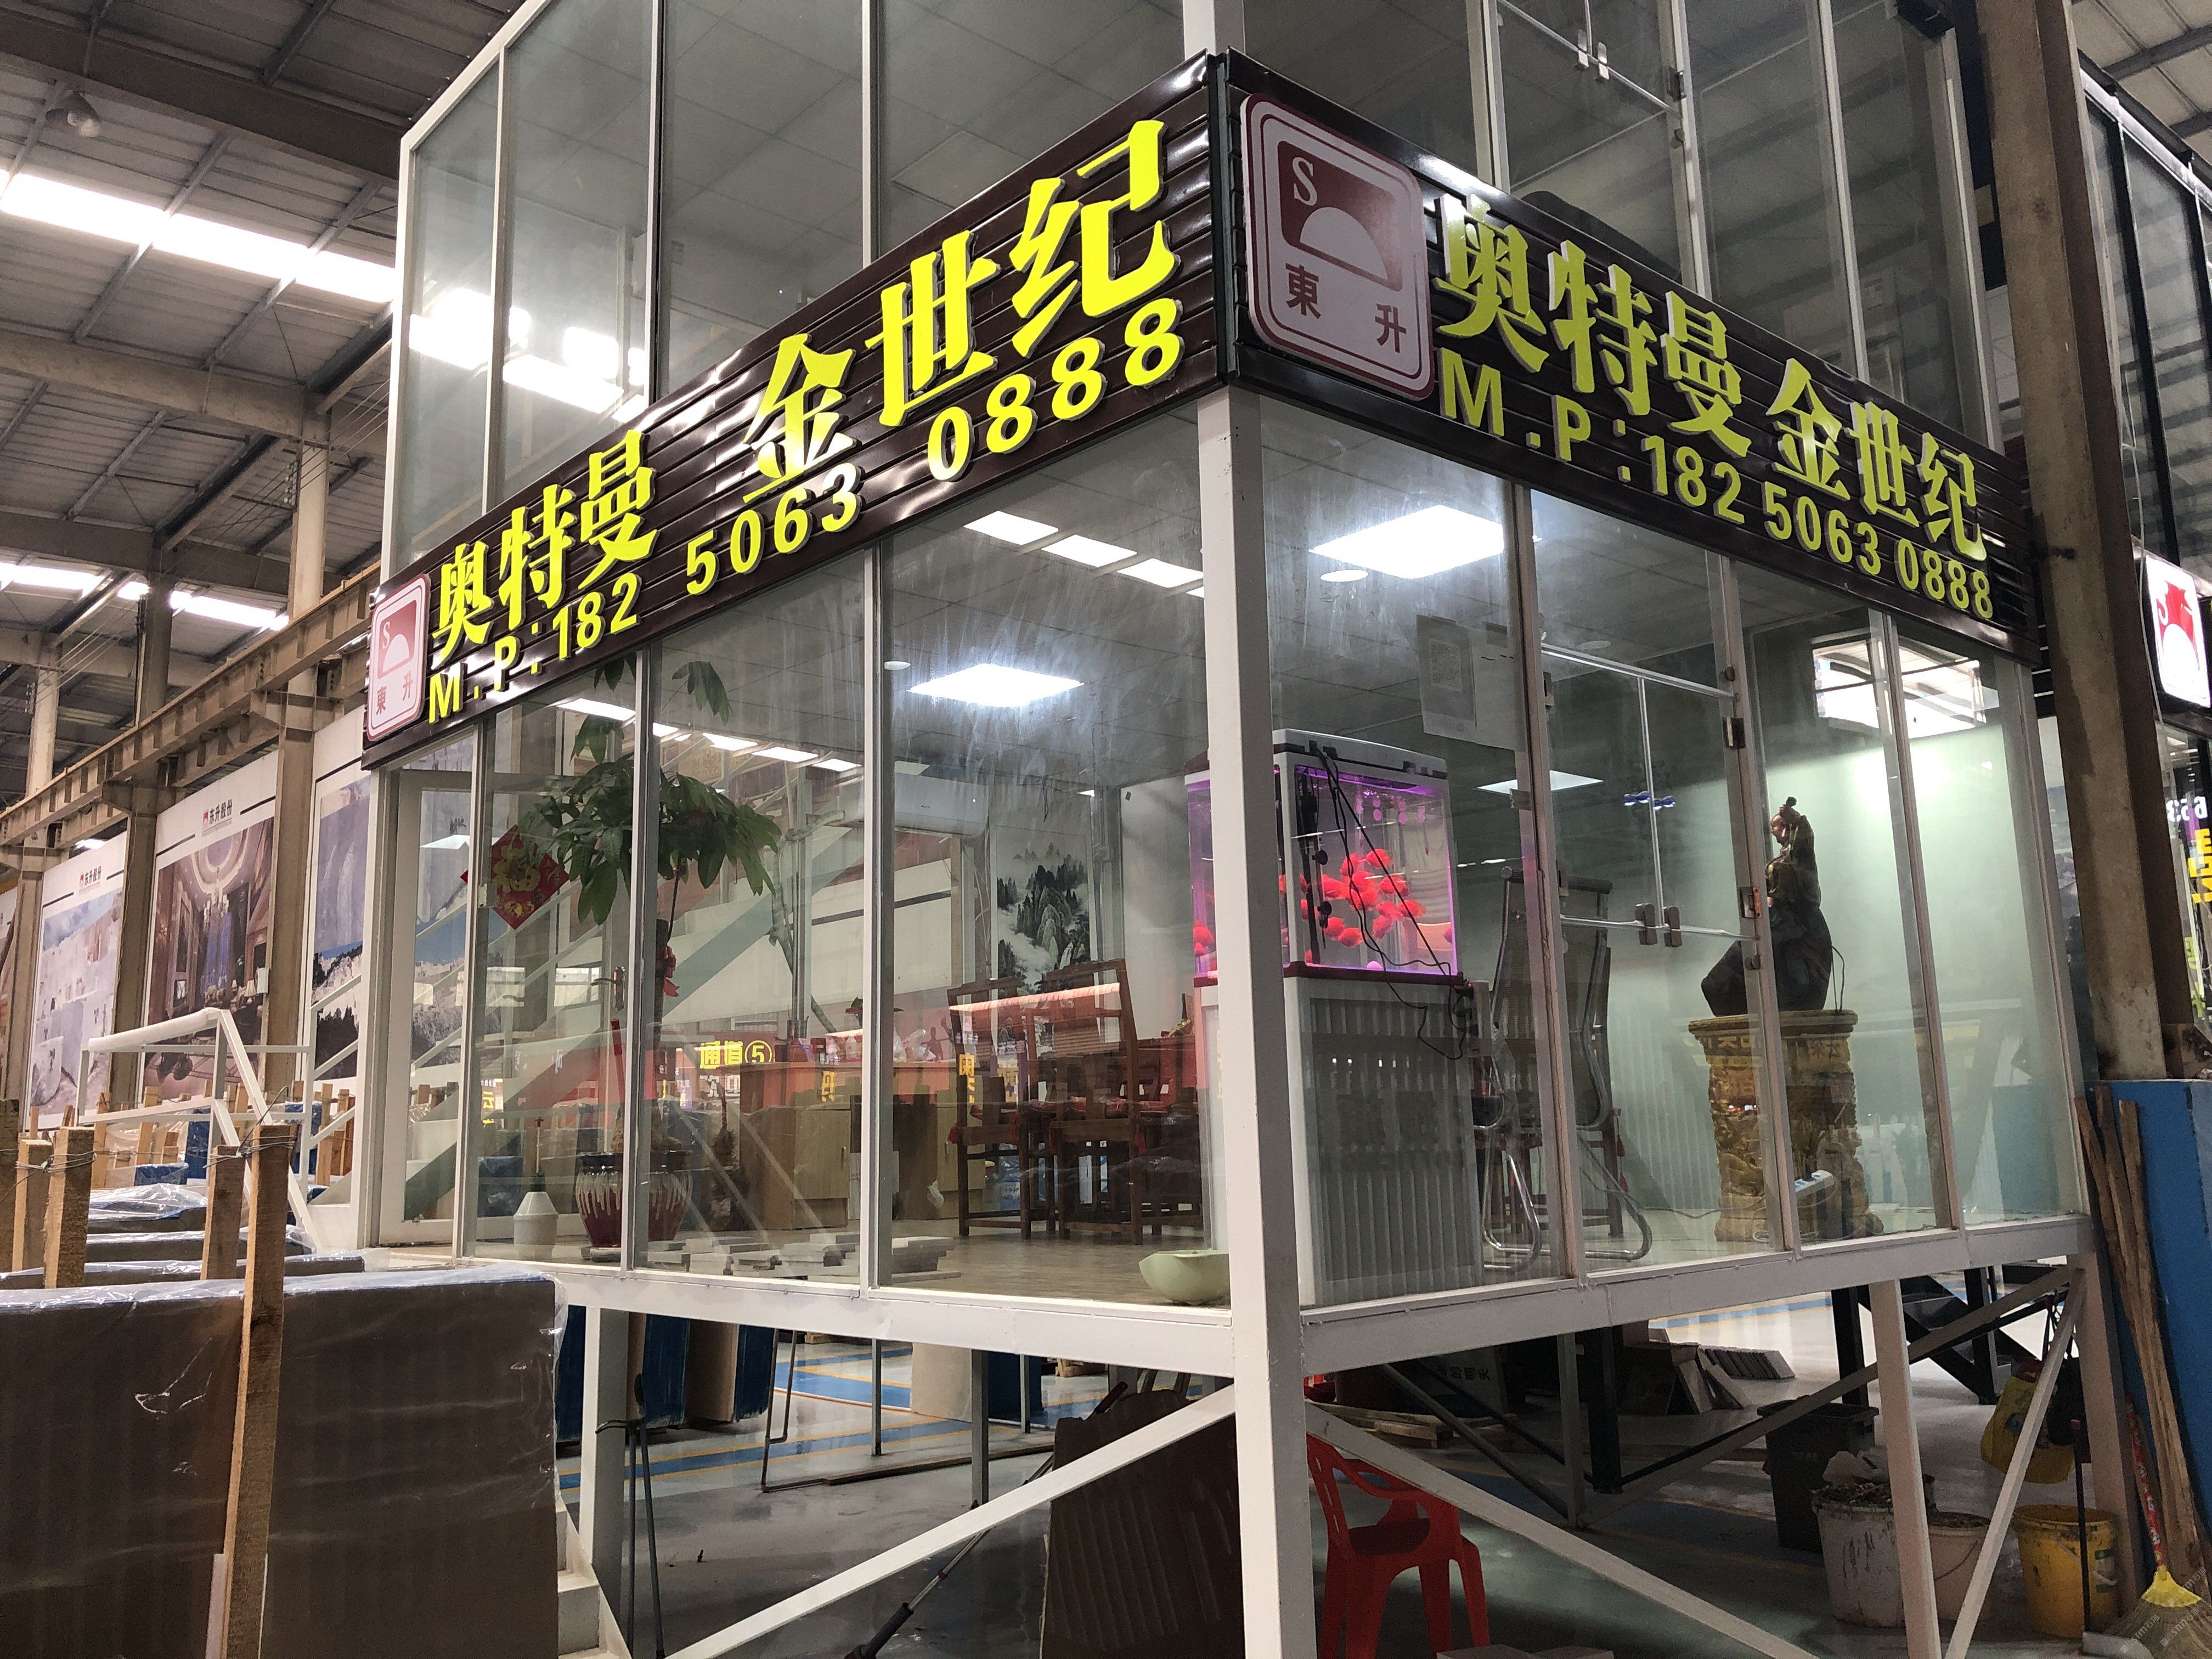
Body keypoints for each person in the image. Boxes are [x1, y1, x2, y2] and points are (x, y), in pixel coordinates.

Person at [1701, 796, 1832, 1016]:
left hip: (1796, 927)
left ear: (1787, 826)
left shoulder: (1800, 857)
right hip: (1774, 923)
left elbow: (1805, 839)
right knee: (1720, 979)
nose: (1773, 833)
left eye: (1776, 827)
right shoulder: (1780, 859)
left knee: (1786, 980)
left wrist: (1796, 819)